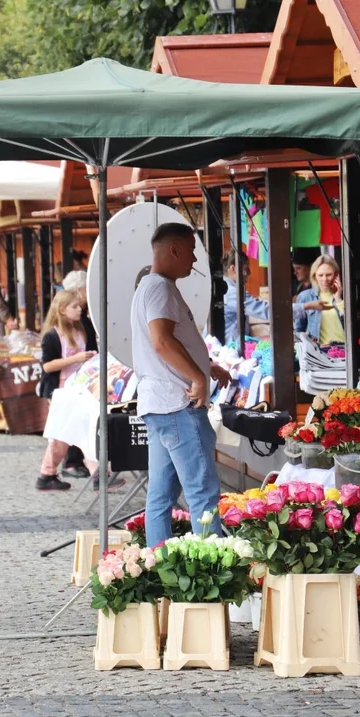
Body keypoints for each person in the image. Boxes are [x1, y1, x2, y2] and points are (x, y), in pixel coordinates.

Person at [130, 223, 231, 549]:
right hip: (177, 404)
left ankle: (159, 565)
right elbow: (161, 341)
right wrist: (198, 377)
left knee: (161, 496)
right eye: (190, 251)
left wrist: (205, 365)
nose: (194, 260)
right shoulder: (159, 288)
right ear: (173, 250)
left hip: (161, 404)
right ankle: (211, 569)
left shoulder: (150, 286)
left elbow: (163, 344)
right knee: (202, 491)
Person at [35, 290, 99, 491]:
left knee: (85, 430)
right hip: (61, 389)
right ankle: (48, 473)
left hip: (81, 386)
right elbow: (47, 366)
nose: (80, 309)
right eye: (74, 306)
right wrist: (76, 358)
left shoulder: (83, 329)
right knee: (63, 434)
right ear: (62, 310)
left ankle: (98, 474)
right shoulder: (52, 336)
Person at [221, 252, 316, 346]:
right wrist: (305, 306)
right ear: (233, 269)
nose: (249, 272)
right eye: (246, 268)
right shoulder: (232, 292)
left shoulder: (228, 288)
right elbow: (265, 310)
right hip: (228, 346)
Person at [295, 255, 345, 345]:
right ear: (314, 276)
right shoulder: (305, 297)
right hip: (318, 353)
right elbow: (298, 330)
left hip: (344, 350)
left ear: (336, 275)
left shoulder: (345, 296)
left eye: (329, 275)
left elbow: (350, 325)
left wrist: (338, 299)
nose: (324, 279)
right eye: (320, 275)